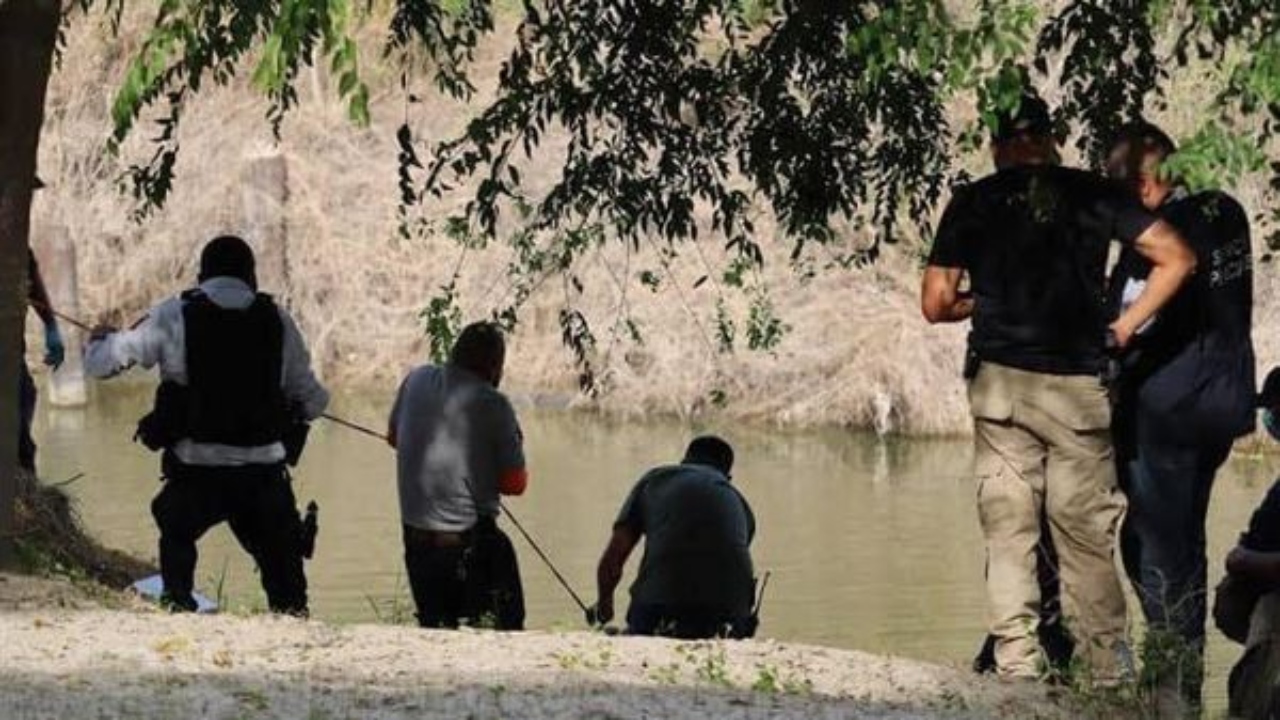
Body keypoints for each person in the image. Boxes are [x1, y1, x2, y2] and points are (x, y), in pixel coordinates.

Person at [921, 91, 1197, 684]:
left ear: (997, 147)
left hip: (1000, 390)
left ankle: (1017, 671)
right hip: (1077, 390)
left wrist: (983, 300)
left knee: (1009, 533)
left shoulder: (974, 201)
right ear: (1049, 140)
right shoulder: (1093, 194)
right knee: (1086, 537)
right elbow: (1176, 257)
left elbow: (936, 303)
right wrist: (1123, 324)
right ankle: (1110, 676)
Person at [85, 235, 328, 615]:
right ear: (252, 276)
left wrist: (99, 341)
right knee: (285, 578)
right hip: (263, 477)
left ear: (201, 275)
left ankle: (178, 603)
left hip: (195, 475)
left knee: (177, 534)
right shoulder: (278, 320)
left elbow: (101, 365)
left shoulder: (174, 314)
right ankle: (292, 621)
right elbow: (315, 402)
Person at [1105, 120, 1256, 712]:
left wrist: (1116, 329)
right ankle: (1179, 679)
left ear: (1143, 184)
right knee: (1179, 541)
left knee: (1154, 546)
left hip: (1168, 409)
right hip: (1220, 402)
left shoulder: (1164, 232)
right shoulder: (1227, 210)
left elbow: (1154, 288)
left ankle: (1173, 690)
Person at [387, 321, 528, 630]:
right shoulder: (494, 403)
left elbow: (393, 438)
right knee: (510, 624)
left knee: (435, 628)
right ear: (495, 367)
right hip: (467, 548)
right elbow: (515, 485)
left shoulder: (417, 378)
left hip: (415, 543)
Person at [591, 435, 757, 640]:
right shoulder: (740, 503)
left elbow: (613, 560)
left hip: (658, 613)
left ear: (684, 461)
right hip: (730, 620)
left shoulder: (655, 480)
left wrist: (604, 609)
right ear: (727, 475)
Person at [19, 176, 65, 474]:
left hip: (11, 360)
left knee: (22, 442)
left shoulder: (16, 247)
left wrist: (51, 326)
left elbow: (32, 283)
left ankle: (24, 496)